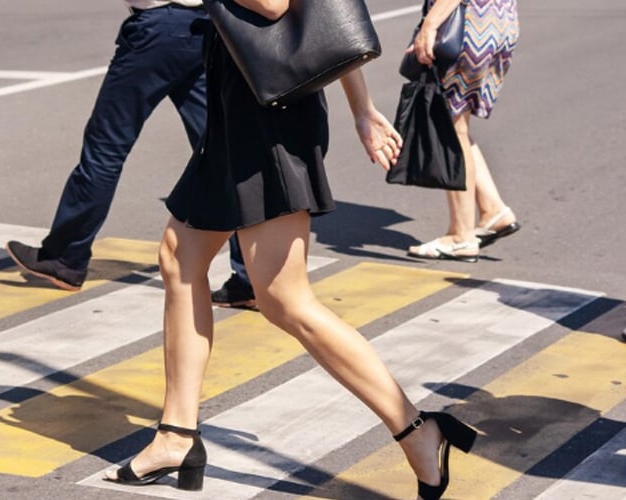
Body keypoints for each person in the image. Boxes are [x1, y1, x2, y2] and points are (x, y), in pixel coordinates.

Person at [103, 1, 477, 498]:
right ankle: (177, 435)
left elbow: (276, 3)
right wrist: (361, 109)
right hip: (240, 108)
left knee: (285, 300)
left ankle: (417, 429)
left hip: (267, 120)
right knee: (180, 257)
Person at [6, 0, 252, 295]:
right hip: (206, 25)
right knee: (224, 151)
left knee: (105, 148)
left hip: (157, 31)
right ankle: (250, 277)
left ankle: (64, 257)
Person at [407, 0, 521, 262]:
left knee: (450, 127)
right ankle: (494, 210)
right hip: (498, 19)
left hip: (467, 22)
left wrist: (430, 24)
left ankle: (461, 236)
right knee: (457, 124)